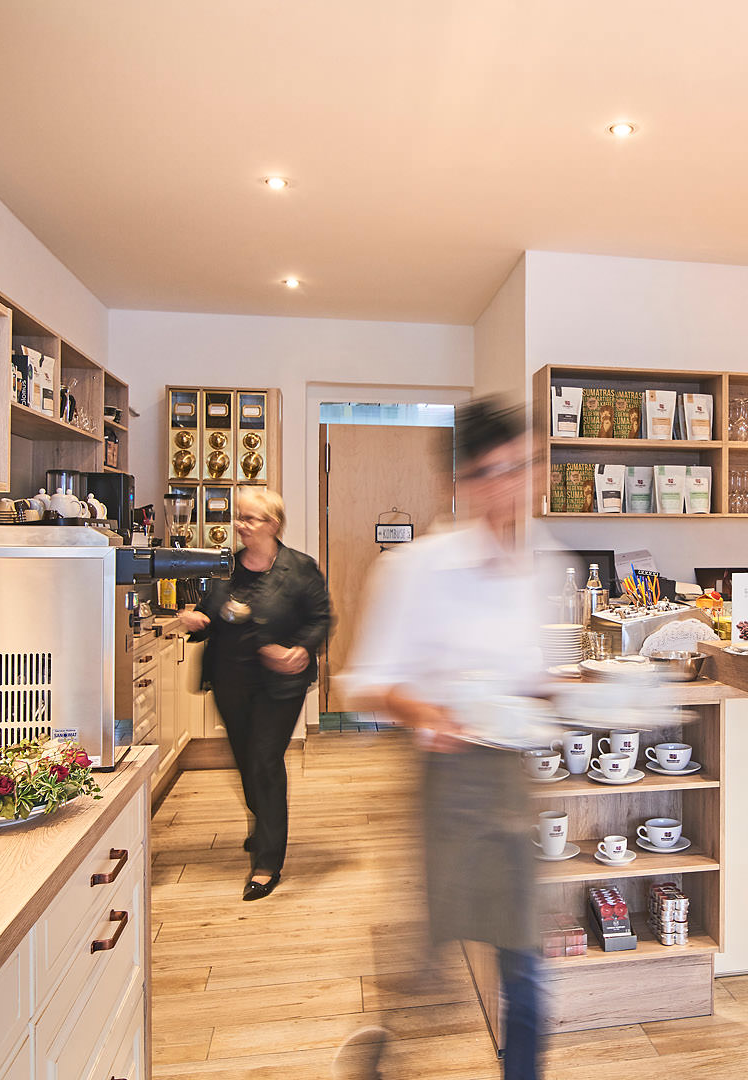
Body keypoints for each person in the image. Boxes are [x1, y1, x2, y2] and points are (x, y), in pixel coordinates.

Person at [339, 398, 549, 1080]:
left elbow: (534, 677)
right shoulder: (418, 568)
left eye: (519, 467)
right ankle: (386, 1052)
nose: (507, 486)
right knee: (436, 950)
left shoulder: (540, 563)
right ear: (459, 480)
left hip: (514, 777)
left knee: (524, 963)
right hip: (450, 784)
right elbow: (364, 681)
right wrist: (424, 709)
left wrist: (568, 694)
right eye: (489, 472)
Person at [178, 487, 331, 901]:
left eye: (250, 519)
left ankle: (267, 860)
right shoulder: (225, 567)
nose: (240, 526)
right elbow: (213, 614)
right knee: (246, 761)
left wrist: (300, 649)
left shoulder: (300, 569)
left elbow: (320, 618)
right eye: (239, 518)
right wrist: (197, 619)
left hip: (279, 685)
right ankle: (267, 822)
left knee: (264, 760)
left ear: (273, 524)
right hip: (230, 680)